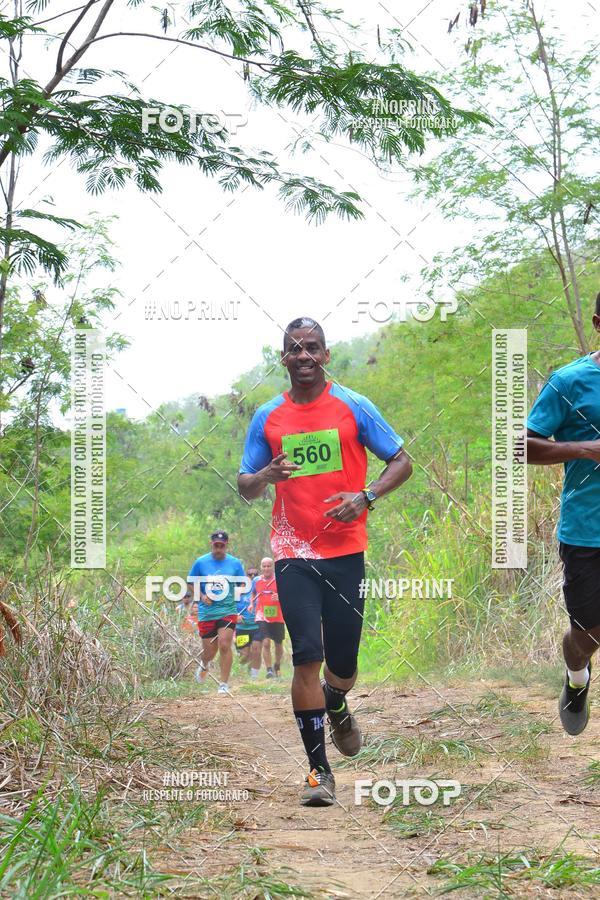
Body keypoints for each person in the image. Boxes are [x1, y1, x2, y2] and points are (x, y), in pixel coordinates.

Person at [238, 316, 412, 806]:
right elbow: (245, 485)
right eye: (294, 349)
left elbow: (401, 461)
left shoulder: (353, 406)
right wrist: (267, 473)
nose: (304, 356)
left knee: (343, 664)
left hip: (345, 551)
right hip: (293, 553)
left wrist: (366, 496)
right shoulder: (267, 417)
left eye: (312, 347)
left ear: (326, 354)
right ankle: (319, 772)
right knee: (306, 656)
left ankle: (337, 702)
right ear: (283, 358)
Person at [527, 294, 600, 735]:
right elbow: (526, 445)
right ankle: (576, 677)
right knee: (586, 636)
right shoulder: (569, 381)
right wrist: (584, 449)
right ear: (597, 321)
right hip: (585, 530)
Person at [187, 530, 245, 695]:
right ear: (211, 544)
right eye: (215, 545)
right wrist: (201, 595)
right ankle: (204, 664)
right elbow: (191, 582)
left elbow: (242, 583)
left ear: (226, 545)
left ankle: (223, 683)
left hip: (227, 610)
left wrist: (235, 593)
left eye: (222, 546)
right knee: (209, 652)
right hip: (207, 612)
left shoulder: (234, 563)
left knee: (225, 645)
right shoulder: (201, 562)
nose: (218, 549)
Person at [251, 556, 285, 678]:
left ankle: (277, 665)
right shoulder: (256, 580)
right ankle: (269, 670)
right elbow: (253, 592)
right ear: (261, 567)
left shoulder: (280, 579)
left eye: (269, 566)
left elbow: (288, 595)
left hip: (277, 615)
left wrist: (280, 597)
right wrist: (251, 604)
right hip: (262, 614)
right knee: (265, 642)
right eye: (264, 566)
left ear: (273, 567)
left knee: (278, 644)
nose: (266, 568)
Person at [235, 566, 262, 677]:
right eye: (250, 574)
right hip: (242, 628)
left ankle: (254, 676)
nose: (252, 576)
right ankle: (242, 671)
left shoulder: (261, 590)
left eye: (255, 574)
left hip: (257, 626)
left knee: (256, 651)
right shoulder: (239, 591)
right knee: (245, 655)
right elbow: (229, 606)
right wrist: (236, 615)